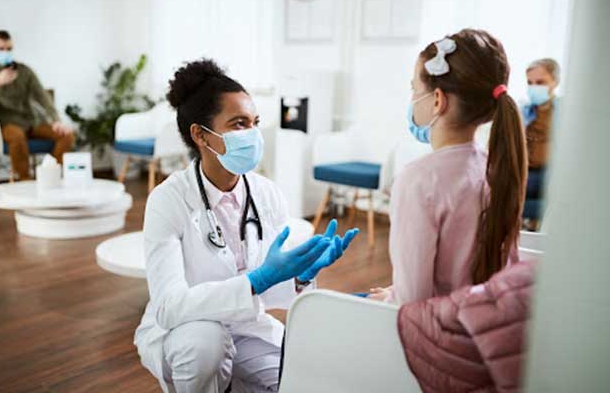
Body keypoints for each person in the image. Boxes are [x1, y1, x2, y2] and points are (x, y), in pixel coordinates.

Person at [134, 59, 358, 393]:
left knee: (303, 379)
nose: (253, 134)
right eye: (239, 124)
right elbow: (169, 307)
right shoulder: (168, 200)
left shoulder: (266, 194)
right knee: (206, 347)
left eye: (255, 122)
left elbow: (265, 289)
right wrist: (256, 280)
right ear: (200, 135)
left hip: (245, 324)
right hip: (187, 328)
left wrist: (300, 275)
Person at [369, 29, 526, 305]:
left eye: (414, 90)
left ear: (438, 100)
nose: (412, 99)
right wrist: (394, 293)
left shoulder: (417, 180)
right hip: (486, 321)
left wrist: (391, 297)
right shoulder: (494, 166)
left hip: (440, 335)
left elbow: (411, 302)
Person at [0, 30, 74, 180]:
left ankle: (52, 176)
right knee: (17, 136)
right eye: (1, 49)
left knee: (67, 135)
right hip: (6, 125)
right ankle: (25, 181)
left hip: (32, 122)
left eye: (9, 49)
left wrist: (56, 120)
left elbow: (43, 96)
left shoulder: (24, 71)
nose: (5, 52)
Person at [520, 58, 561, 229]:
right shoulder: (525, 110)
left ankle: (529, 221)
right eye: (530, 82)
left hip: (549, 173)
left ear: (555, 82)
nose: (534, 87)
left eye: (540, 82)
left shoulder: (562, 111)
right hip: (526, 170)